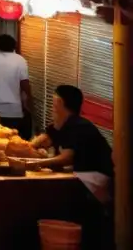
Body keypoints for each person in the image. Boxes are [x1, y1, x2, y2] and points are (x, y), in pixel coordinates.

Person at [28, 85, 114, 247]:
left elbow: (66, 158)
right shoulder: (61, 125)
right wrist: (27, 148)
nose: (52, 109)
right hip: (80, 178)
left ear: (60, 103)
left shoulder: (78, 125)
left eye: (53, 104)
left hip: (97, 182)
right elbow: (42, 140)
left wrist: (36, 163)